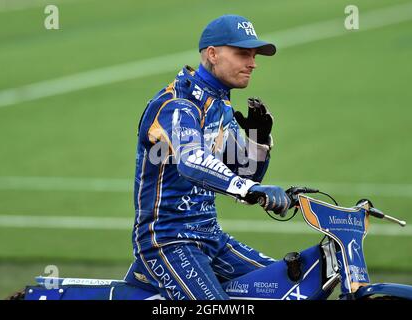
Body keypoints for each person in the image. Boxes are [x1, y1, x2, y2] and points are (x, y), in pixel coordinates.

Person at [124, 14, 291, 300]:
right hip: (168, 241)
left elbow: (244, 174)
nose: (252, 63)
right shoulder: (177, 105)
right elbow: (192, 161)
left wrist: (258, 142)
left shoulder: (217, 104)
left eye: (253, 55)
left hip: (210, 237)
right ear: (212, 54)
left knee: (287, 288)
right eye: (242, 54)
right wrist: (250, 189)